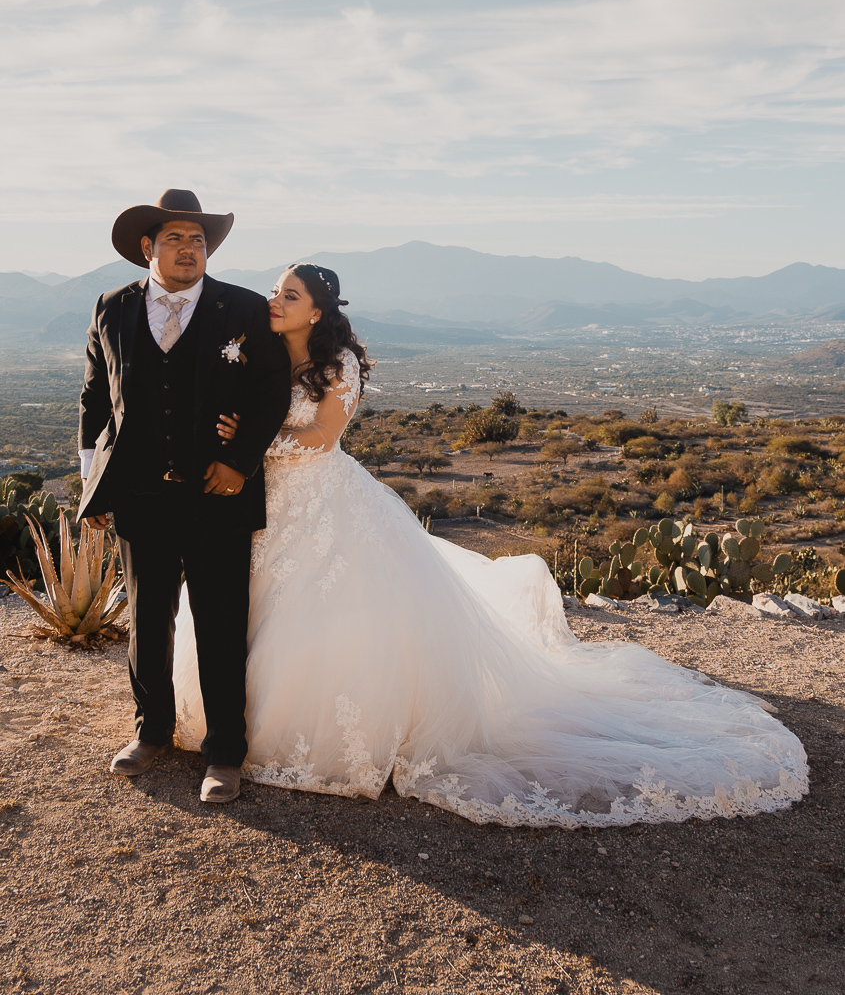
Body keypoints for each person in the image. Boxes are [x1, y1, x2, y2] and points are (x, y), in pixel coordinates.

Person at [172, 263, 808, 827]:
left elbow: (321, 439)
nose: (274, 300)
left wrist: (247, 446)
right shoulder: (261, 353)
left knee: (326, 613)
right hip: (262, 503)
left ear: (318, 310)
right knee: (250, 608)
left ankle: (315, 735)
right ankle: (230, 725)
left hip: (319, 497)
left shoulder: (337, 367)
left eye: (289, 293)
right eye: (275, 291)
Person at [79, 190, 290, 803]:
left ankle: (225, 752)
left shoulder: (244, 309)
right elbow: (95, 397)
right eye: (176, 237)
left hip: (218, 494)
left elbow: (273, 389)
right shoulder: (112, 307)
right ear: (148, 247)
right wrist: (95, 482)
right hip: (140, 495)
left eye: (198, 240)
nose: (189, 248)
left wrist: (240, 461)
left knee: (222, 625)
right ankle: (151, 732)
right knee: (147, 620)